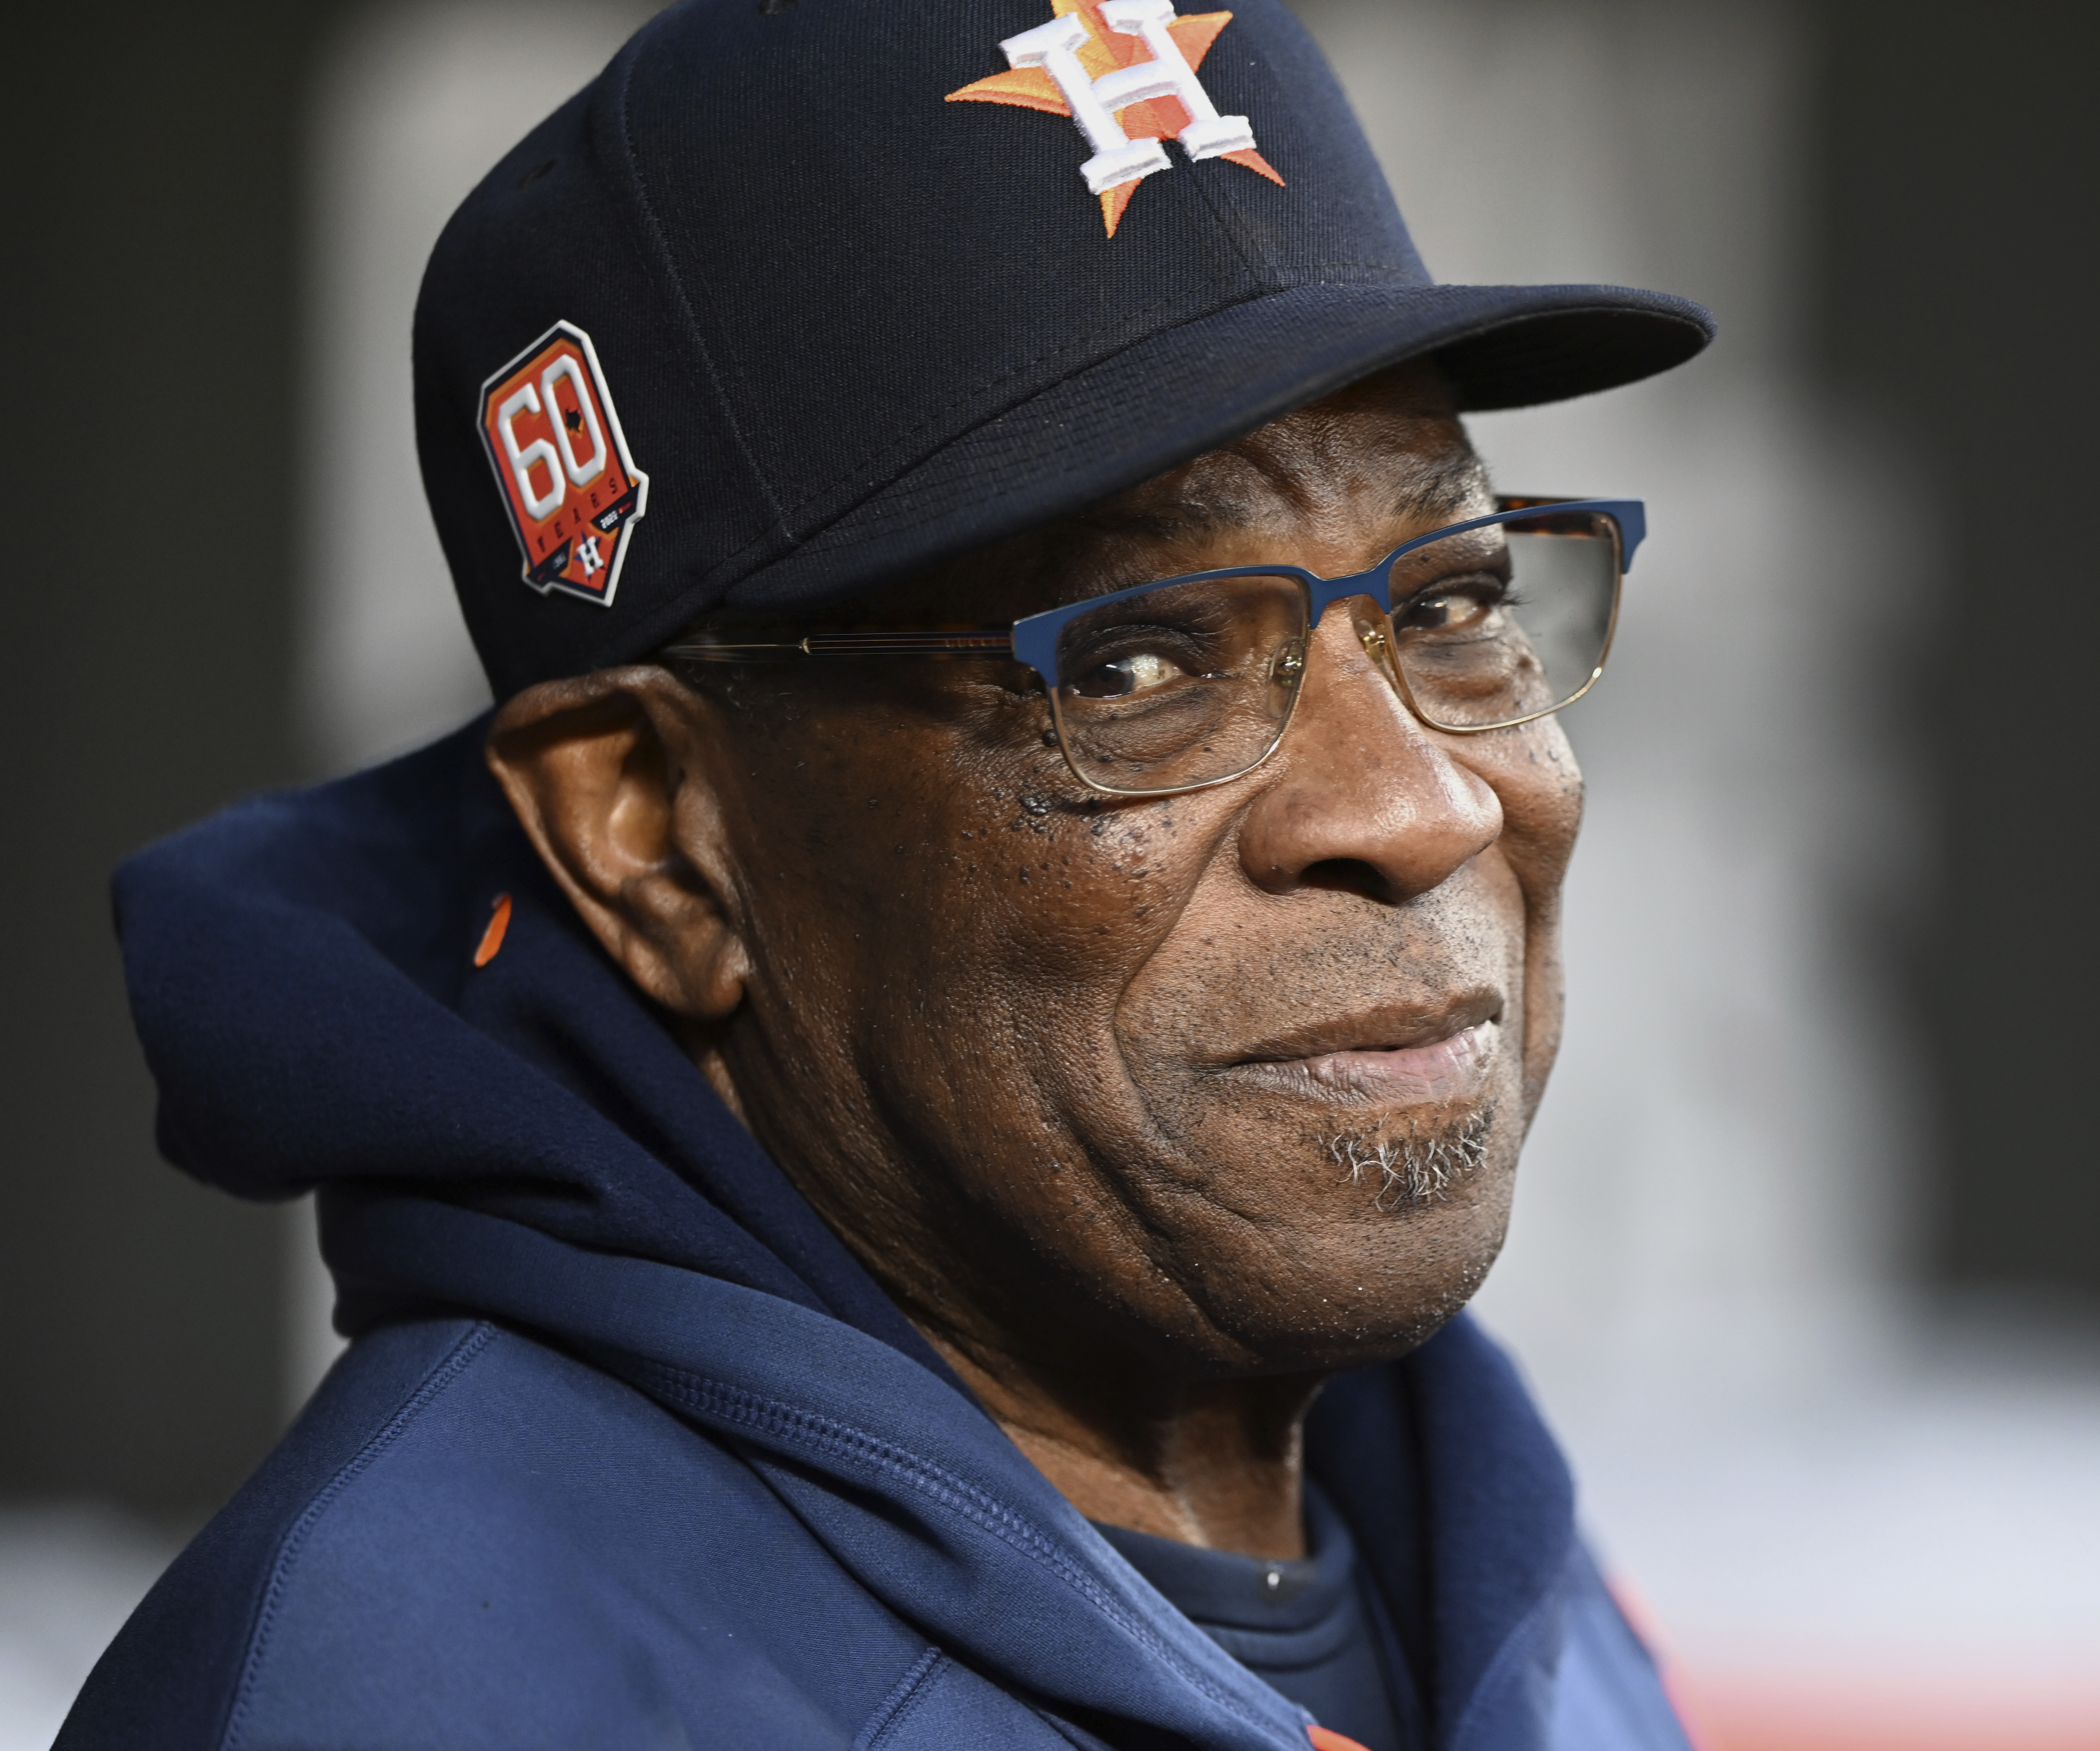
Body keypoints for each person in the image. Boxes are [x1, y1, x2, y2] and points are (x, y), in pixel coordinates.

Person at [69, 2, 1709, 1747]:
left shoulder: (1476, 1548)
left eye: (1450, 603)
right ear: (653, 832)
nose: (1420, 806)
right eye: (1139, 663)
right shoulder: (424, 1696)